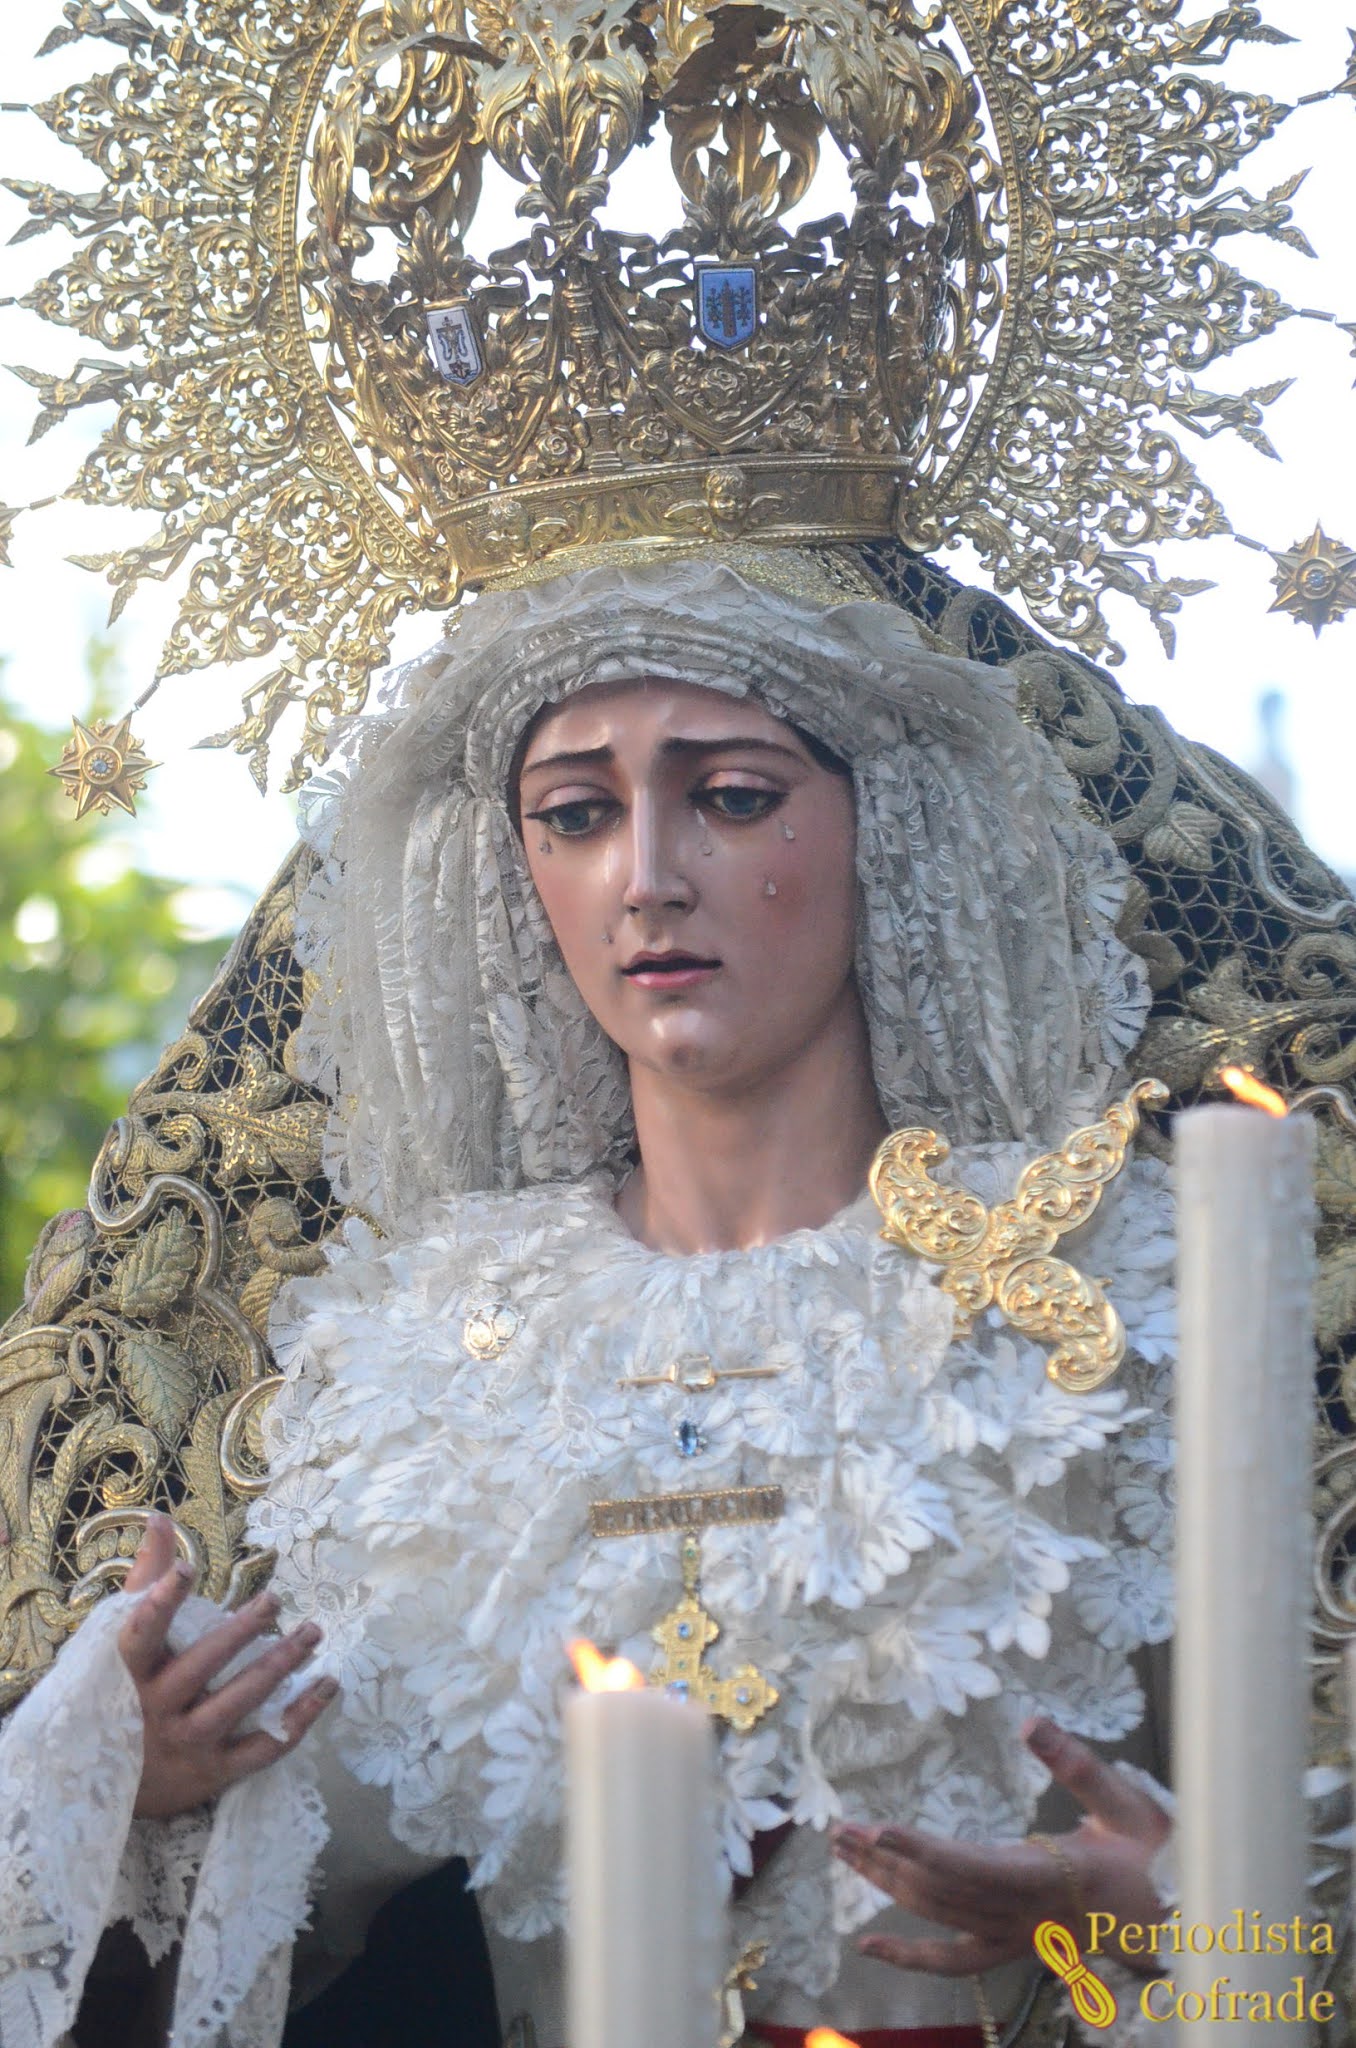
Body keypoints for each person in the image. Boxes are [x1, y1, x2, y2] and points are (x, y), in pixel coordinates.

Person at [0, 545, 1177, 2048]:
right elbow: (292, 1889)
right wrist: (133, 1783)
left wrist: (1180, 1909)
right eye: (575, 814)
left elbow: (1282, 1796)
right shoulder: (428, 1346)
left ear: (890, 827)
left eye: (731, 797)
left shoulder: (1093, 1287)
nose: (647, 879)